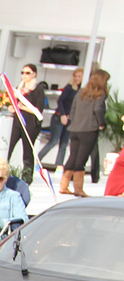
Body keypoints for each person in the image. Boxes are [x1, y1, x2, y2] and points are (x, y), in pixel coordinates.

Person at [62, 68, 109, 196]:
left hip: (75, 128)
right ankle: (78, 189)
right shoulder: (100, 94)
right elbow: (98, 109)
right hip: (89, 129)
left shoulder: (81, 92)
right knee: (81, 159)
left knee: (72, 156)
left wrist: (74, 120)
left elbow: (73, 109)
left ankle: (64, 185)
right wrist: (101, 124)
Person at [5, 63, 45, 181]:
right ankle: (2, 172)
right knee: (9, 147)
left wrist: (22, 107)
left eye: (28, 73)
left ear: (34, 74)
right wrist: (12, 108)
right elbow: (14, 103)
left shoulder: (38, 89)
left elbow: (38, 110)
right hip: (17, 122)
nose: (24, 75)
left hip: (30, 123)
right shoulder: (19, 88)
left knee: (27, 151)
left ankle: (27, 177)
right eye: (23, 72)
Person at [37, 67, 82, 171]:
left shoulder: (81, 90)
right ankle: (38, 160)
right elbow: (60, 101)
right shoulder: (69, 88)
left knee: (64, 143)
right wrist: (63, 114)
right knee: (53, 141)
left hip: (71, 119)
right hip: (59, 116)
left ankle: (59, 165)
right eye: (75, 76)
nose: (77, 78)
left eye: (79, 76)